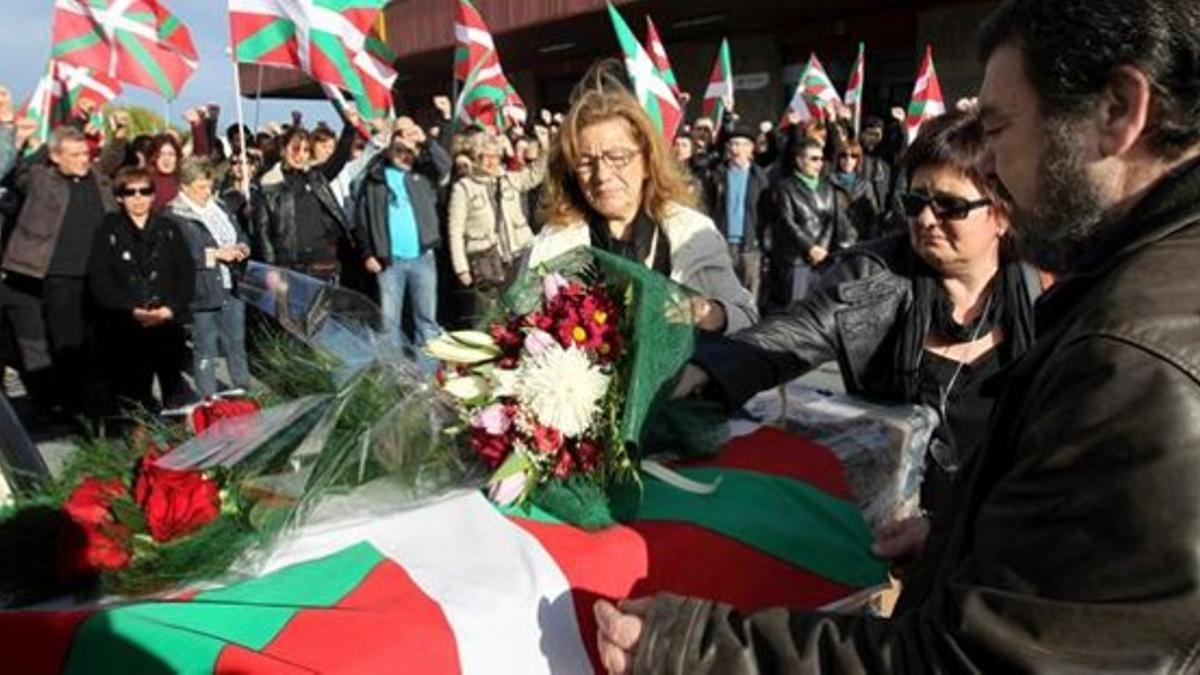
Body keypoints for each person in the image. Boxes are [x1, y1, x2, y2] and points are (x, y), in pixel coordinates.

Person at [595, 1, 1200, 671]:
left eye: (998, 128)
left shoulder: (1132, 357)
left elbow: (976, 659)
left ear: (1118, 110)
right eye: (915, 202)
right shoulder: (893, 280)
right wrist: (666, 378)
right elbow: (778, 342)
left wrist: (692, 647)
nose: (991, 163)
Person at [683, 110, 1040, 515]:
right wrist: (703, 373)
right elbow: (788, 336)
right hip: (893, 534)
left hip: (1009, 528)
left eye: (949, 206)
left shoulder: (1046, 289)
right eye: (915, 201)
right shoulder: (871, 275)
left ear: (1001, 212)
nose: (925, 219)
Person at [530, 73, 757, 334]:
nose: (602, 175)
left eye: (617, 157)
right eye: (585, 163)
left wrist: (712, 314)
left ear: (648, 162)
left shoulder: (693, 234)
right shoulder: (552, 246)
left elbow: (748, 315)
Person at [2, 126, 116, 415]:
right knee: (67, 343)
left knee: (99, 342)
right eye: (74, 154)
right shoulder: (42, 180)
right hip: (60, 276)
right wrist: (38, 142)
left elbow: (114, 162)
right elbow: (19, 170)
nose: (82, 160)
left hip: (97, 274)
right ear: (56, 157)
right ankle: (70, 405)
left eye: (85, 153)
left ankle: (99, 404)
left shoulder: (98, 180)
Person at [88, 167, 195, 412]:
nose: (138, 198)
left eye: (144, 191)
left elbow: (185, 274)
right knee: (134, 398)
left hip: (168, 322)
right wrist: (130, 310)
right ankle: (140, 446)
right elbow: (100, 279)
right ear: (119, 197)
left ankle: (181, 442)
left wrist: (170, 308)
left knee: (175, 396)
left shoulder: (169, 229)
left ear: (153, 195)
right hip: (127, 325)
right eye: (130, 192)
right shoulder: (107, 231)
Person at [352, 125, 452, 361]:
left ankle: (428, 373)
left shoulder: (423, 175)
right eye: (399, 150)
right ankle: (393, 377)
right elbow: (362, 220)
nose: (404, 155)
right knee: (388, 323)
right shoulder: (374, 179)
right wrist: (368, 253)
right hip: (389, 261)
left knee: (427, 320)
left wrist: (425, 140)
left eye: (409, 151)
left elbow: (445, 165)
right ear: (388, 151)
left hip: (422, 257)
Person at [168, 158, 251, 399]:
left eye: (210, 185)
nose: (208, 192)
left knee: (236, 342)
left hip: (231, 284)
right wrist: (215, 254)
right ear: (185, 187)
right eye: (201, 187)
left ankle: (241, 390)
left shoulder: (220, 207)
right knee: (205, 348)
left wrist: (243, 246)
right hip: (202, 289)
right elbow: (177, 255)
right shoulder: (174, 215)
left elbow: (240, 233)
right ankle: (208, 398)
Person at [255, 112, 358, 282]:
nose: (300, 155)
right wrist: (271, 268)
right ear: (283, 150)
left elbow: (339, 158)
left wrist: (350, 127)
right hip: (290, 267)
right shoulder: (269, 185)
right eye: (295, 149)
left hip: (324, 263)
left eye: (306, 150)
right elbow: (263, 233)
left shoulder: (316, 177)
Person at [448, 130, 546, 303]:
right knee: (493, 312)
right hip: (487, 261)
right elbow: (455, 230)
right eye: (484, 156)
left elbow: (535, 174)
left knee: (524, 304)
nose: (490, 161)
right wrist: (461, 268)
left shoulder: (510, 179)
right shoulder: (463, 188)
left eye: (494, 156)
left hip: (520, 253)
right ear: (474, 157)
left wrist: (544, 148)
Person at [767, 136, 853, 309]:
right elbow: (786, 222)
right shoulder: (785, 187)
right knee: (795, 311)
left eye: (821, 159)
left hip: (824, 259)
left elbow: (831, 220)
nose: (819, 163)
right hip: (797, 260)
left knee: (819, 310)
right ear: (799, 160)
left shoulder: (828, 187)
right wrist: (810, 248)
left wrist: (822, 249)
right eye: (814, 159)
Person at [705, 127, 770, 304]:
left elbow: (766, 212)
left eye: (742, 145)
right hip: (723, 241)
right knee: (722, 291)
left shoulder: (760, 177)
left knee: (750, 292)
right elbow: (709, 206)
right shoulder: (718, 175)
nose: (736, 149)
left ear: (751, 149)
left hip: (750, 243)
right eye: (733, 144)